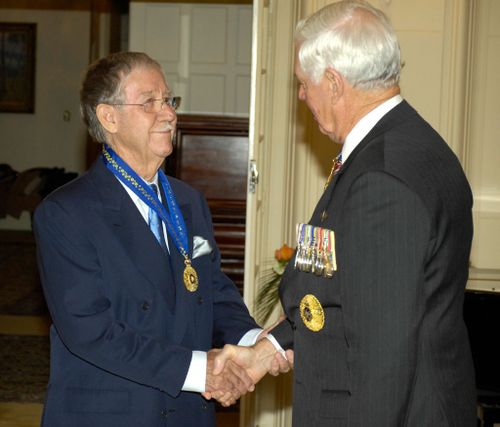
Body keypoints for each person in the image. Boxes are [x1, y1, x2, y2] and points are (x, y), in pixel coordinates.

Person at [213, 1, 477, 426]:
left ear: (333, 83)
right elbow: (343, 297)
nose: (300, 95)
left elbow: (382, 357)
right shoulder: (407, 143)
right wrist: (268, 350)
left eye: (304, 83)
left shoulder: (383, 178)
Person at [33, 51, 286, 427]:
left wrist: (253, 342)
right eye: (149, 102)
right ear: (109, 117)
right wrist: (204, 370)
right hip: (111, 414)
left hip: (187, 413)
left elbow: (212, 291)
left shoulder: (189, 201)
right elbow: (92, 332)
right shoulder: (66, 213)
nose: (168, 113)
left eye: (168, 100)